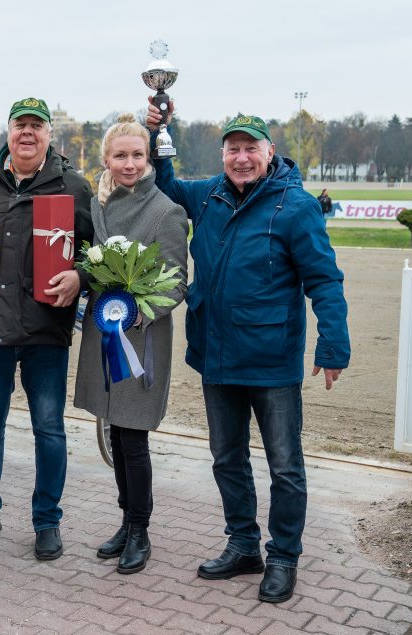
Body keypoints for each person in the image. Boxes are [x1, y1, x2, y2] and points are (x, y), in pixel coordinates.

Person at [146, 102, 350, 603]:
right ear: (223, 155)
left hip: (271, 361)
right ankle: (243, 545)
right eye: (233, 149)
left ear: (269, 153)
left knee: (284, 465)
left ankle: (283, 556)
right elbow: (166, 185)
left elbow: (323, 279)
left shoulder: (296, 206)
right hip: (217, 355)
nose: (241, 158)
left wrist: (333, 343)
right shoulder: (209, 195)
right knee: (226, 458)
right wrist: (160, 131)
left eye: (250, 149)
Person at [0, 97, 93, 561]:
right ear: (9, 133)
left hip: (45, 332)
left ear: (50, 134)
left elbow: (96, 253)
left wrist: (81, 277)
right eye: (21, 125)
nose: (28, 133)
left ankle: (47, 520)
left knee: (49, 429)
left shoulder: (73, 187)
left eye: (37, 125)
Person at [73, 115, 187, 574]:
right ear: (106, 159)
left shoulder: (166, 211)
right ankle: (125, 520)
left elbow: (177, 282)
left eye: (137, 155)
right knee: (115, 432)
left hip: (139, 337)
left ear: (148, 158)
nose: (129, 163)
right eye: (120, 155)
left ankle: (141, 529)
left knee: (133, 436)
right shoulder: (99, 204)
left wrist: (139, 311)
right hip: (106, 334)